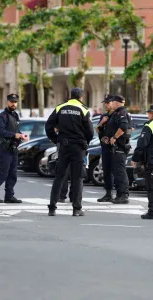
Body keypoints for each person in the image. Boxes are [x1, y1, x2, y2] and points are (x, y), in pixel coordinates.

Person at [45, 87, 94, 216]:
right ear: (81, 97)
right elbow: (90, 132)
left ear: (70, 96)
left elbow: (48, 126)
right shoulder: (83, 109)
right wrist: (85, 142)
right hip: (78, 147)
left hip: (63, 146)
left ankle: (52, 208)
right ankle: (76, 208)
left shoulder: (60, 107)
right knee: (77, 178)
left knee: (59, 177)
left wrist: (56, 140)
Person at [0, 94, 28, 204]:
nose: (13, 104)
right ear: (7, 102)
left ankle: (9, 196)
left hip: (13, 147)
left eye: (15, 102)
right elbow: (0, 132)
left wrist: (22, 135)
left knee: (13, 173)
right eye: (11, 101)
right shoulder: (2, 116)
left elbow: (16, 130)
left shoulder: (15, 115)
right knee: (3, 173)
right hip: (5, 148)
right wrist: (15, 135)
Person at [101, 94, 132, 204]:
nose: (111, 103)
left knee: (120, 172)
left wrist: (114, 137)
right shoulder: (119, 113)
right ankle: (119, 195)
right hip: (117, 147)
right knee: (117, 172)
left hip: (119, 147)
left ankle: (123, 195)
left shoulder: (121, 113)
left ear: (117, 102)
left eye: (113, 102)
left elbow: (123, 127)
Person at [96, 94, 115, 202]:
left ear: (113, 103)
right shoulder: (103, 116)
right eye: (105, 103)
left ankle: (120, 193)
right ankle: (108, 193)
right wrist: (102, 122)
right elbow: (98, 130)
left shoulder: (117, 115)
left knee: (115, 170)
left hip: (115, 147)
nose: (106, 105)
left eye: (108, 103)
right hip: (105, 146)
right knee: (106, 170)